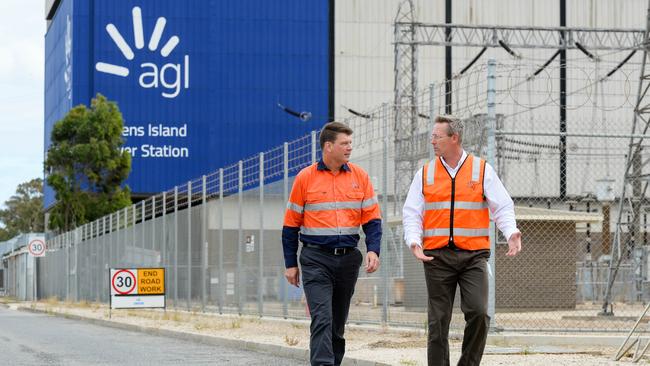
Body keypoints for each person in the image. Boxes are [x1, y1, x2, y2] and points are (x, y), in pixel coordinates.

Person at [402, 115, 522, 366]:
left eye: (437, 136)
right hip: (436, 257)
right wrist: (414, 241)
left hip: (473, 257)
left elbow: (502, 206)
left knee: (479, 312)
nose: (432, 141)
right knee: (437, 322)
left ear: (454, 138)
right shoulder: (425, 173)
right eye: (431, 136)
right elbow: (412, 212)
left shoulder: (481, 169)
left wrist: (511, 232)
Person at [282, 121, 382, 366]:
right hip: (316, 259)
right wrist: (290, 264)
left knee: (337, 323)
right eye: (344, 143)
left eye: (350, 143)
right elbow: (291, 225)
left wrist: (373, 250)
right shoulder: (305, 178)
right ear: (328, 147)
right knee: (322, 317)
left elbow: (372, 219)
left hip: (348, 259)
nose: (349, 147)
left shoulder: (360, 176)